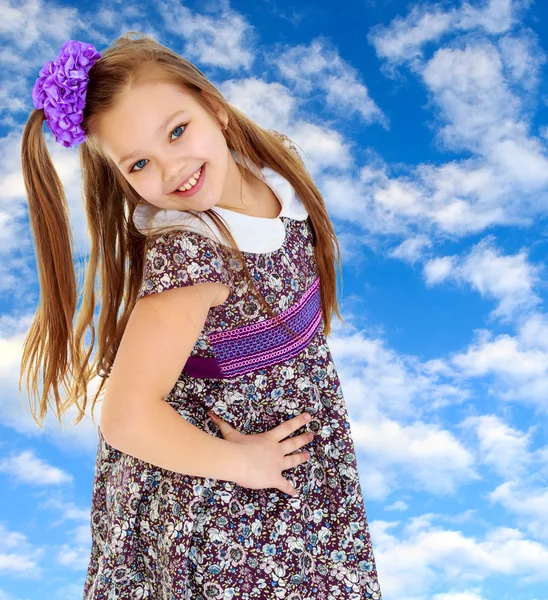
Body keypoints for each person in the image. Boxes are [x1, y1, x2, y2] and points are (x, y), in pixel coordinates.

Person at [19, 31, 383, 599]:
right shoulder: (191, 252)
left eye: (178, 130)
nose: (173, 169)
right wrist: (238, 465)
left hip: (284, 452)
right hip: (217, 487)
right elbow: (126, 417)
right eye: (140, 163)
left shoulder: (271, 171)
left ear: (214, 106)